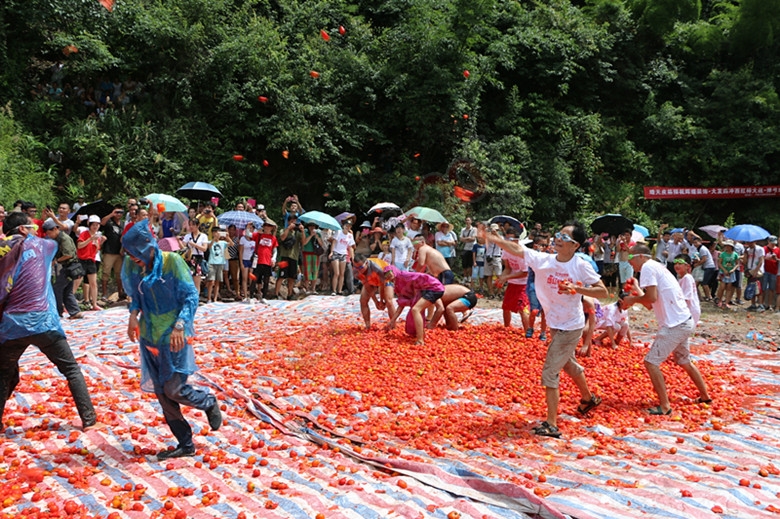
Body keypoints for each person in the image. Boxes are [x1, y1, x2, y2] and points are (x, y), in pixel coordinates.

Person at [479, 220, 606, 438]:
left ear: (575, 245)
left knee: (550, 371)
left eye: (565, 237)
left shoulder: (580, 265)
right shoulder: (544, 260)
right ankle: (588, 398)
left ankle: (552, 424)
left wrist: (576, 288)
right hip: (556, 323)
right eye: (558, 234)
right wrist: (493, 238)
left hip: (571, 325)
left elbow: (602, 292)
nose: (558, 239)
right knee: (567, 364)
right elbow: (518, 249)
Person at [121, 220, 222, 460]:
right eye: (129, 253)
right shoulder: (133, 265)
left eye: (136, 252)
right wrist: (133, 316)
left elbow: (190, 296)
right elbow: (135, 295)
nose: (132, 257)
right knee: (162, 393)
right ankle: (185, 443)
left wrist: (180, 325)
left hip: (173, 334)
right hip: (149, 334)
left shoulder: (172, 262)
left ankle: (207, 401)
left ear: (148, 246)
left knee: (174, 389)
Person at [0, 212, 97, 431]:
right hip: (44, 322)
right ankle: (89, 420)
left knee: (3, 373)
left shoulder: (2, 251)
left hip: (11, 324)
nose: (36, 230)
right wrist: (60, 223)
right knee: (71, 369)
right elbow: (62, 240)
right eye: (32, 227)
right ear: (24, 230)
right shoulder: (44, 246)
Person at [620, 244, 711, 415]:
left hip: (674, 325)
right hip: (684, 321)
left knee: (651, 362)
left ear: (641, 256)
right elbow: (649, 303)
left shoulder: (647, 266)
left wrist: (630, 300)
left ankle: (664, 406)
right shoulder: (656, 267)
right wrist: (636, 290)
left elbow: (651, 297)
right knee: (684, 361)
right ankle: (705, 396)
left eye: (631, 258)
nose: (629, 262)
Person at [384, 266, 445, 345]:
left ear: (394, 270)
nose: (388, 275)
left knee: (416, 310)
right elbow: (401, 304)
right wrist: (392, 320)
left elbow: (420, 277)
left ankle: (420, 340)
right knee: (416, 309)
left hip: (433, 287)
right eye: (385, 275)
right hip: (428, 290)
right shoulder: (398, 285)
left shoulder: (404, 276)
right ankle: (421, 333)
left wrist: (418, 290)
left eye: (389, 272)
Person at [43, 220, 84, 319]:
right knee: (67, 291)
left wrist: (56, 261)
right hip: (66, 267)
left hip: (67, 267)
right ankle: (75, 312)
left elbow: (68, 255)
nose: (49, 235)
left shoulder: (64, 239)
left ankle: (58, 312)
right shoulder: (58, 238)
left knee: (58, 289)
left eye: (50, 233)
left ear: (55, 229)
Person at [352, 254, 397, 330]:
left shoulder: (377, 268)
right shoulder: (356, 270)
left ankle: (393, 326)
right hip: (371, 280)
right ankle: (367, 325)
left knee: (388, 301)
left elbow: (382, 285)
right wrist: (376, 301)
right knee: (363, 300)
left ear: (366, 263)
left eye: (360, 267)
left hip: (386, 277)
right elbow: (367, 285)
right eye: (356, 267)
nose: (358, 270)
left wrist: (382, 300)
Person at [498, 229, 530, 330]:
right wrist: (501, 278)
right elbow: (508, 268)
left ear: (517, 240)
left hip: (524, 283)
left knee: (522, 308)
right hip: (512, 282)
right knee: (506, 306)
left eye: (510, 239)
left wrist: (507, 277)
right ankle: (507, 328)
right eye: (506, 239)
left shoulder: (522, 253)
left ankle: (528, 332)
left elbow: (525, 273)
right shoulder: (506, 250)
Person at [77, 215, 105, 311]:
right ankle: (67, 303)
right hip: (82, 260)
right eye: (93, 225)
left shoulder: (98, 236)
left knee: (93, 283)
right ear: (89, 225)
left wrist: (97, 244)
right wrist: (90, 239)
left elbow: (96, 250)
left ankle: (94, 303)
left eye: (97, 225)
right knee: (77, 282)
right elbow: (79, 246)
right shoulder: (84, 233)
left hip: (91, 260)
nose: (95, 227)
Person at [100, 205, 126, 300]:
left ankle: (120, 293)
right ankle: (104, 294)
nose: (119, 214)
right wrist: (111, 214)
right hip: (109, 251)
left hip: (119, 252)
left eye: (121, 212)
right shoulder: (109, 222)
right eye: (117, 212)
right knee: (105, 272)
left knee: (119, 274)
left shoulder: (123, 223)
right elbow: (102, 223)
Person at [182, 219, 209, 296]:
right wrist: (180, 241)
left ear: (198, 225)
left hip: (198, 258)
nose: (191, 227)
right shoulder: (187, 236)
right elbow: (183, 247)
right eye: (190, 225)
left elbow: (204, 248)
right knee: (188, 281)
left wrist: (194, 244)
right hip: (189, 258)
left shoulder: (203, 236)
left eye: (193, 225)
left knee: (197, 282)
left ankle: (196, 300)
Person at [253, 220, 278, 302]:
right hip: (258, 260)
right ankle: (251, 296)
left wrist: (273, 258)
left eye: (269, 226)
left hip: (267, 261)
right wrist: (248, 226)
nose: (267, 227)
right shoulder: (258, 235)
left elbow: (275, 250)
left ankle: (264, 297)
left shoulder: (273, 238)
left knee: (266, 280)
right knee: (255, 279)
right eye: (266, 225)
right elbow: (247, 235)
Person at [205, 227, 232, 303]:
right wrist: (214, 239)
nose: (217, 234)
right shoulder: (209, 241)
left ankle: (215, 298)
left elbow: (232, 244)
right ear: (213, 233)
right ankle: (209, 298)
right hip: (212, 263)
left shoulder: (223, 243)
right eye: (215, 232)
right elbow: (209, 247)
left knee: (218, 281)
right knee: (211, 281)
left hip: (220, 263)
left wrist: (227, 237)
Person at [674, 254, 701, 326]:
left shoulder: (687, 278)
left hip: (690, 311)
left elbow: (686, 297)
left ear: (688, 266)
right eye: (675, 263)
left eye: (680, 263)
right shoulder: (682, 278)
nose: (677, 265)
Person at [329, 219, 355, 296]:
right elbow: (334, 242)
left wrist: (352, 257)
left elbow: (350, 247)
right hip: (336, 252)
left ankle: (339, 290)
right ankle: (334, 290)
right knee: (336, 273)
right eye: (347, 225)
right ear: (343, 226)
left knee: (342, 273)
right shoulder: (338, 232)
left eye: (349, 226)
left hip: (344, 254)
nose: (348, 227)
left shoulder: (350, 235)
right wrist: (331, 252)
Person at [714, 240, 739, 309]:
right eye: (726, 246)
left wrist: (733, 269)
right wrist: (724, 270)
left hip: (731, 273)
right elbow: (719, 263)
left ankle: (726, 302)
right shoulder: (722, 254)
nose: (727, 247)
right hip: (723, 272)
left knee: (729, 288)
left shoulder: (735, 254)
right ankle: (719, 300)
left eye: (729, 246)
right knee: (722, 287)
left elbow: (737, 264)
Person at [301, 222, 325, 293]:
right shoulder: (305, 232)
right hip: (307, 252)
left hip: (315, 253)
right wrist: (311, 235)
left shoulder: (318, 233)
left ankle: (313, 288)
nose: (312, 227)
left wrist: (317, 237)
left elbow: (321, 244)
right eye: (310, 226)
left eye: (314, 226)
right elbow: (304, 242)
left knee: (315, 270)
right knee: (307, 271)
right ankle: (307, 288)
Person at [743, 240, 765, 311]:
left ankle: (760, 304)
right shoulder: (748, 250)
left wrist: (756, 271)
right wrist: (745, 255)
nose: (749, 243)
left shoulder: (760, 249)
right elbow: (745, 262)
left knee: (759, 288)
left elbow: (761, 260)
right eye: (748, 242)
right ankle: (753, 304)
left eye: (751, 242)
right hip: (750, 271)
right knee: (751, 287)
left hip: (758, 271)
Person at [238, 222, 257, 301]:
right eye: (249, 228)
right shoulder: (243, 239)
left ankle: (251, 294)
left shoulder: (255, 238)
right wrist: (241, 263)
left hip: (253, 260)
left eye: (252, 228)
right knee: (244, 278)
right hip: (245, 260)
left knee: (251, 278)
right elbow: (240, 252)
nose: (250, 229)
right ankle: (245, 295)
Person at [763, 236, 779, 312]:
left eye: (774, 243)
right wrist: (766, 258)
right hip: (765, 270)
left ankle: (769, 305)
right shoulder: (764, 248)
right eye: (771, 243)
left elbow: (779, 259)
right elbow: (761, 258)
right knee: (763, 288)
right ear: (768, 241)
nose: (773, 245)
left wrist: (776, 259)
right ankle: (762, 304)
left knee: (772, 289)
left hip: (774, 271)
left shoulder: (778, 250)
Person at [459, 217, 477, 284]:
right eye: (466, 220)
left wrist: (465, 239)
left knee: (471, 264)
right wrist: (468, 238)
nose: (467, 221)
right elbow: (461, 239)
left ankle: (470, 277)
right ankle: (465, 277)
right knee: (464, 264)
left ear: (471, 221)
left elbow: (473, 238)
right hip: (465, 248)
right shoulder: (463, 229)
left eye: (468, 220)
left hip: (472, 248)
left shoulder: (474, 229)